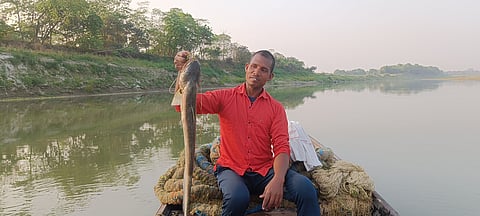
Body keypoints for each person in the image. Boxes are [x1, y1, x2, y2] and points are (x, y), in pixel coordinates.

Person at [173, 50, 321, 216]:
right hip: (231, 169)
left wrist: (278, 180)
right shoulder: (225, 97)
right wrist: (182, 72)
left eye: (263, 70)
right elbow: (183, 105)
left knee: (306, 189)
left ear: (270, 76)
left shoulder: (276, 108)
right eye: (254, 66)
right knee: (238, 198)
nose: (256, 72)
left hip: (264, 170)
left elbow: (281, 146)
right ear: (246, 67)